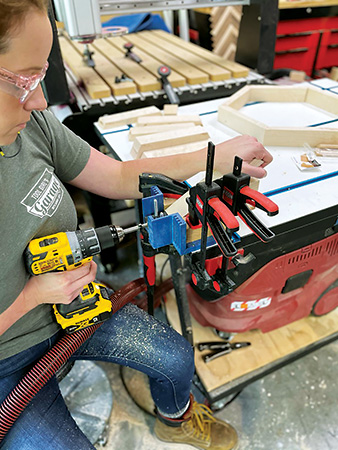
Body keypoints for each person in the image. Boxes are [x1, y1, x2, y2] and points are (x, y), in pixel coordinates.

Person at [0, 1, 273, 449]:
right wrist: (30, 296)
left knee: (176, 356)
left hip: (74, 307)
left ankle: (176, 417)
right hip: (8, 358)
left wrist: (216, 156)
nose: (42, 99)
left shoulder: (32, 124)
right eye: (24, 80)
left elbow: (116, 175)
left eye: (41, 74)